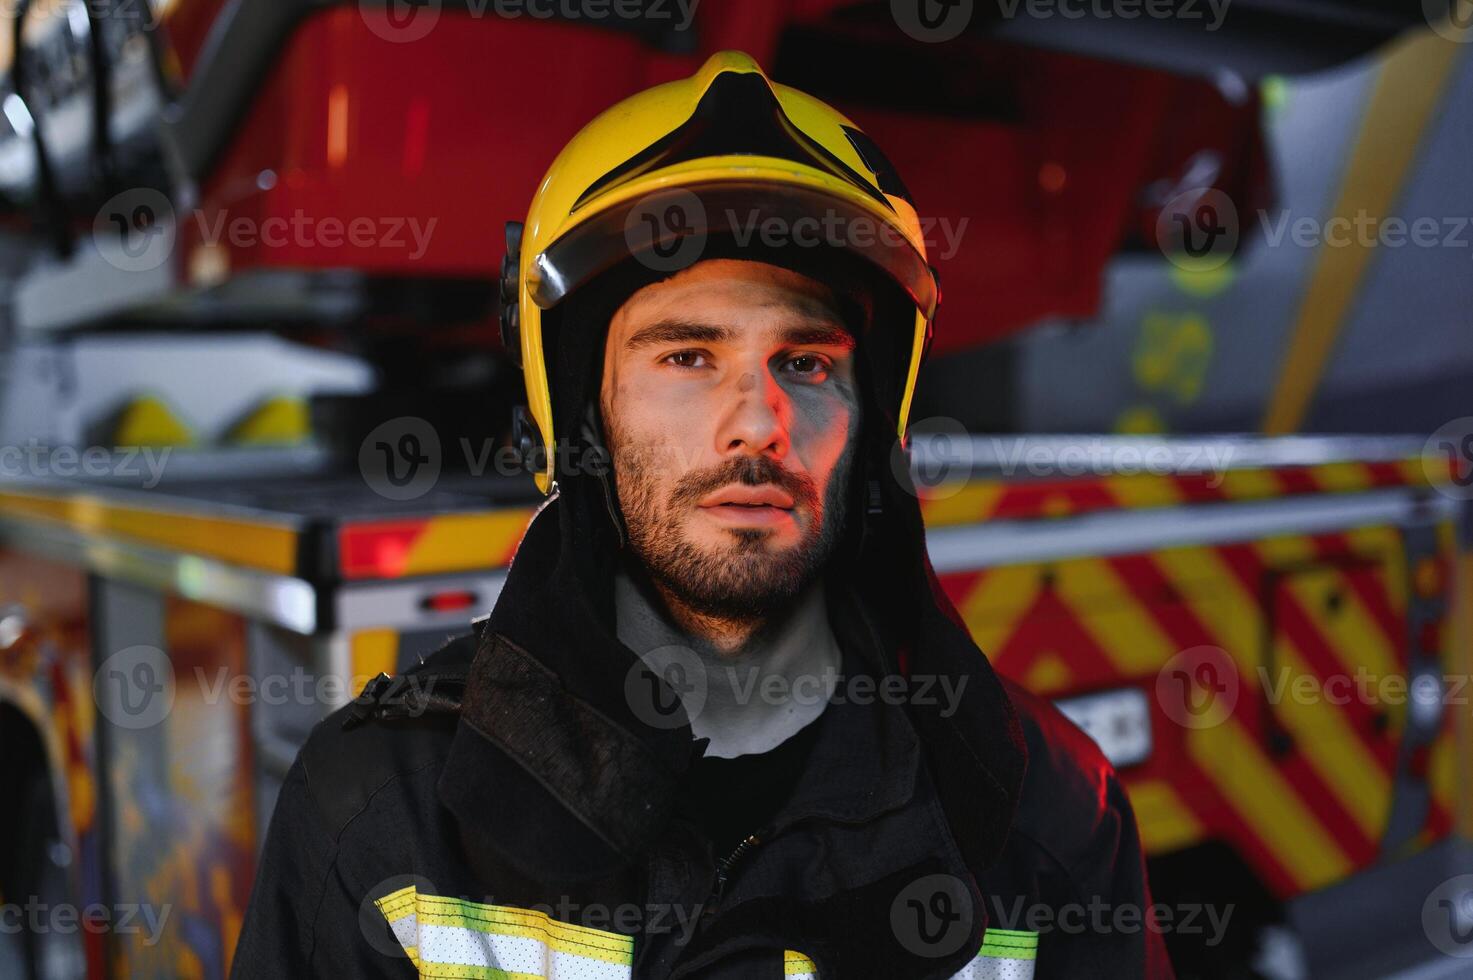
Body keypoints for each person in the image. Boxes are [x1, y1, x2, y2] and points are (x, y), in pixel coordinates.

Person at [232, 51, 1174, 979]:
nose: (757, 423)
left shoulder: (1046, 815)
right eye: (686, 358)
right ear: (580, 411)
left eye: (805, 363)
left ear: (872, 417)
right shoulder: (381, 813)